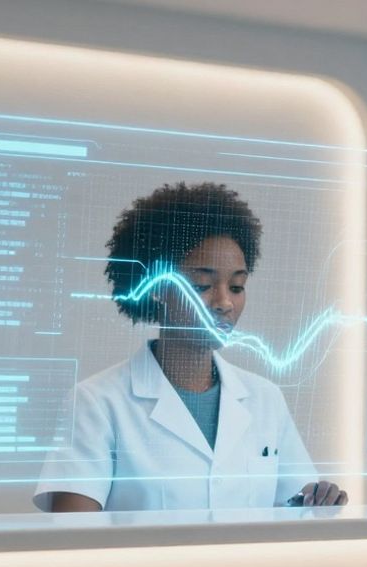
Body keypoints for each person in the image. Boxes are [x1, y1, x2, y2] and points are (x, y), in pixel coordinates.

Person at [33, 182, 348, 513]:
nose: (224, 302)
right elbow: (73, 542)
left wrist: (320, 502)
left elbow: (301, 512)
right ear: (156, 287)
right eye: (202, 285)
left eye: (237, 286)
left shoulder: (265, 399)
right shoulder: (97, 403)